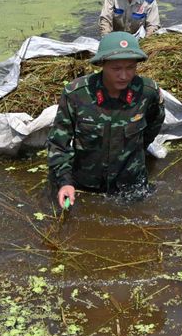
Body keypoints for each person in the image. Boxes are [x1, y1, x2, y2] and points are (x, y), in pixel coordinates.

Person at [48, 32, 165, 208]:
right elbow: (59, 142)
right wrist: (65, 182)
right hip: (86, 185)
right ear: (102, 64)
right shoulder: (77, 94)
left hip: (131, 184)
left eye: (130, 68)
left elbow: (154, 123)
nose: (124, 76)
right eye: (116, 69)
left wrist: (136, 150)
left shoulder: (147, 92)